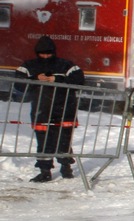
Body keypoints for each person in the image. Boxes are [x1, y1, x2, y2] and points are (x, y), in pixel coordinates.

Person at [13, 36, 85, 182]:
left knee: (64, 141)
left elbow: (79, 80)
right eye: (42, 53)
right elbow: (18, 84)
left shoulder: (66, 65)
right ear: (37, 52)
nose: (45, 56)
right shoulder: (29, 66)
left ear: (54, 52)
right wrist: (35, 79)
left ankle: (66, 168)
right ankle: (45, 171)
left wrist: (57, 79)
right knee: (44, 142)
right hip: (42, 111)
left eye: (49, 53)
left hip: (65, 110)